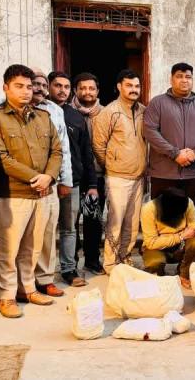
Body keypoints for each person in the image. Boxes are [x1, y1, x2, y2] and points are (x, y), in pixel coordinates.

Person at [0, 64, 62, 318]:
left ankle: (26, 288)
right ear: (5, 87)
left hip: (42, 193)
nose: (26, 91)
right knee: (8, 249)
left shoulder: (43, 117)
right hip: (13, 193)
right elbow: (1, 157)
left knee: (33, 246)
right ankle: (5, 295)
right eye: (19, 86)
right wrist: (35, 177)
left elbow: (57, 150)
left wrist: (49, 177)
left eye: (29, 86)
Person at [143, 62, 195, 208]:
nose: (184, 80)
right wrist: (175, 153)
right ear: (171, 79)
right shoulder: (157, 103)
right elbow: (150, 131)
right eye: (179, 76)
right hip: (163, 174)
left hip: (193, 174)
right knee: (161, 215)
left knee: (189, 216)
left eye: (188, 77)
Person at [92, 69, 147, 273]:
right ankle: (110, 263)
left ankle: (125, 257)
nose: (134, 90)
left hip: (139, 176)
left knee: (132, 224)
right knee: (115, 223)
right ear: (119, 87)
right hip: (117, 177)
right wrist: (111, 165)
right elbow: (98, 146)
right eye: (129, 85)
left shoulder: (143, 111)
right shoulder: (109, 112)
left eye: (137, 86)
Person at [48, 71, 94, 287]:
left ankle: (69, 269)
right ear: (49, 86)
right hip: (46, 183)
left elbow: (86, 152)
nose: (62, 90)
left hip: (72, 182)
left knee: (69, 228)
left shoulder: (76, 117)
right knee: (45, 231)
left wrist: (91, 184)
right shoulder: (40, 111)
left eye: (66, 87)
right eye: (58, 85)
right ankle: (42, 273)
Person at [30, 70, 71, 297]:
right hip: (22, 184)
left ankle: (45, 279)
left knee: (47, 233)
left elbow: (62, 149)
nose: (39, 88)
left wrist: (64, 179)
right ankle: (23, 284)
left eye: (43, 85)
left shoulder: (54, 110)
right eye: (34, 84)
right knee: (24, 237)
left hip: (51, 181)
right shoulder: (1, 109)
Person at [71, 72, 106, 274]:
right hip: (74, 177)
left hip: (98, 176)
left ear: (97, 91)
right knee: (71, 222)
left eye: (91, 88)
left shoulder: (106, 113)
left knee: (93, 220)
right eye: (82, 88)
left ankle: (92, 259)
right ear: (75, 90)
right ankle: (72, 262)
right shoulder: (67, 112)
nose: (87, 92)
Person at [141, 188, 195, 289]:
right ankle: (159, 273)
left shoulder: (187, 203)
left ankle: (184, 274)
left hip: (180, 246)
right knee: (153, 263)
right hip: (157, 249)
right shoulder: (149, 209)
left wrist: (179, 238)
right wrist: (181, 236)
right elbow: (151, 243)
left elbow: (193, 231)